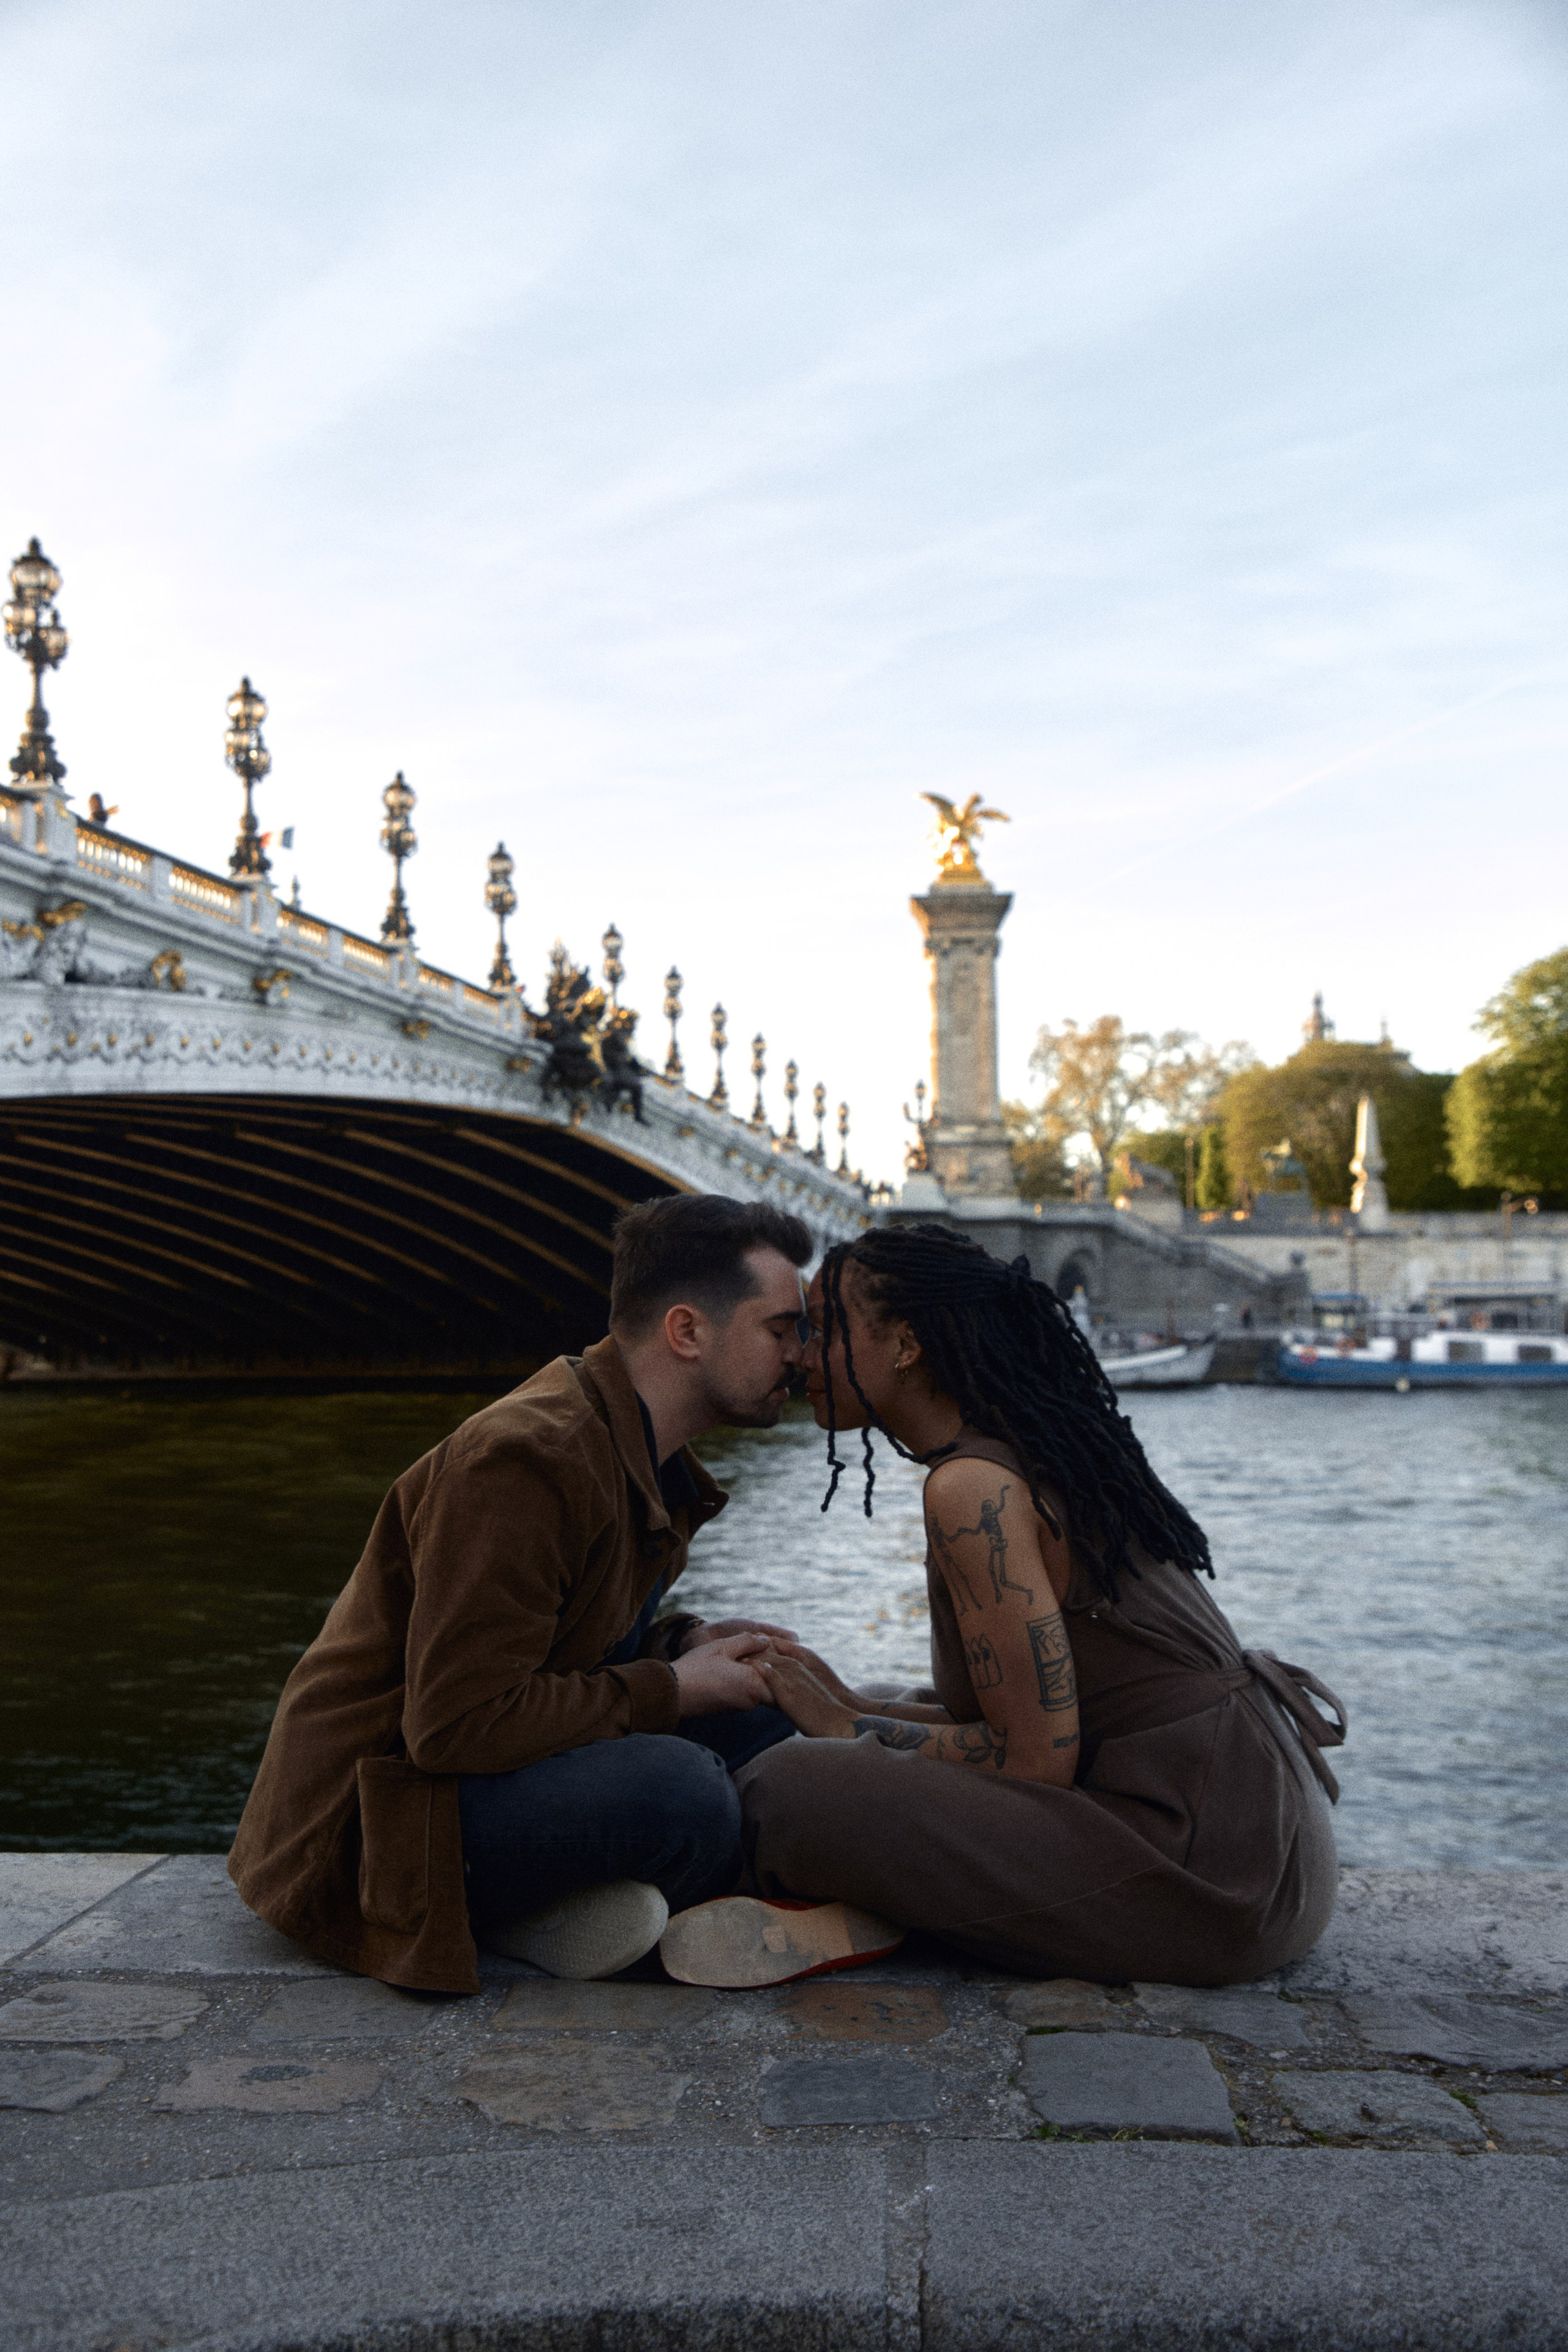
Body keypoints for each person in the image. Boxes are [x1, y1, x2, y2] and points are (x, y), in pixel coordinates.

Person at [228, 1194, 899, 1994]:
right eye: (781, 1328)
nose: (800, 1354)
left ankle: (580, 1899)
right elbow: (454, 1726)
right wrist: (673, 1687)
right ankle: (521, 1908)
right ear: (687, 1332)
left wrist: (679, 1646)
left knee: (762, 1696)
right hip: (376, 1832)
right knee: (685, 1792)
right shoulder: (523, 1464)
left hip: (464, 1779)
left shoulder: (638, 1452)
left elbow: (568, 1646)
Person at [662, 1223, 1345, 1990]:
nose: (802, 1354)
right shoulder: (1025, 1446)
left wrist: (833, 1723)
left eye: (826, 1330)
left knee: (786, 1786)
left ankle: (685, 1901)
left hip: (1209, 1882)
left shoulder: (970, 1490)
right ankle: (875, 1909)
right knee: (885, 1703)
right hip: (1262, 1845)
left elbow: (1031, 1761)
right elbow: (1024, 1723)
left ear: (906, 1344)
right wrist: (844, 1700)